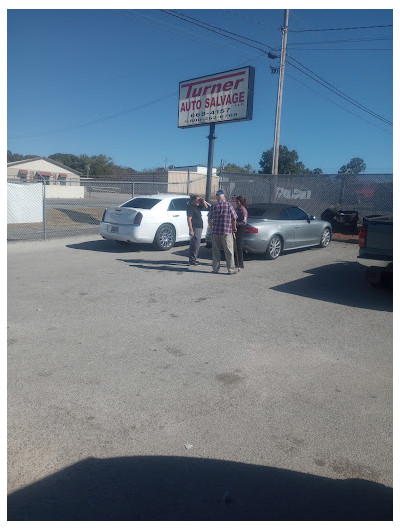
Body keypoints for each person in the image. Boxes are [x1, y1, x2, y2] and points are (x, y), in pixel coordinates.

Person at [208, 190, 238, 274]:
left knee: (215, 251)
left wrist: (211, 227)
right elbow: (234, 218)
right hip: (226, 232)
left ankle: (215, 269)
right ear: (223, 196)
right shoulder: (228, 205)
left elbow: (209, 219)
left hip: (215, 232)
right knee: (229, 251)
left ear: (217, 197)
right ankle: (230, 269)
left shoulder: (213, 206)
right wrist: (234, 228)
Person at [187, 194, 208, 266]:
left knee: (196, 243)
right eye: (197, 200)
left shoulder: (197, 207)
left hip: (199, 227)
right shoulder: (191, 207)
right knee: (195, 244)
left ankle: (193, 259)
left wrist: (203, 200)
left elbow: (206, 207)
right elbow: (189, 220)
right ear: (193, 201)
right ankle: (192, 260)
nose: (199, 202)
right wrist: (191, 230)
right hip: (195, 227)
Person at [235, 195, 248, 270]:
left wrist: (236, 223)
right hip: (236, 228)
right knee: (236, 246)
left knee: (239, 246)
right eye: (236, 201)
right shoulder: (236, 209)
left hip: (241, 228)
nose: (236, 202)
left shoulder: (243, 210)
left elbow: (244, 222)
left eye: (237, 201)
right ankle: (237, 261)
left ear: (241, 202)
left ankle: (240, 263)